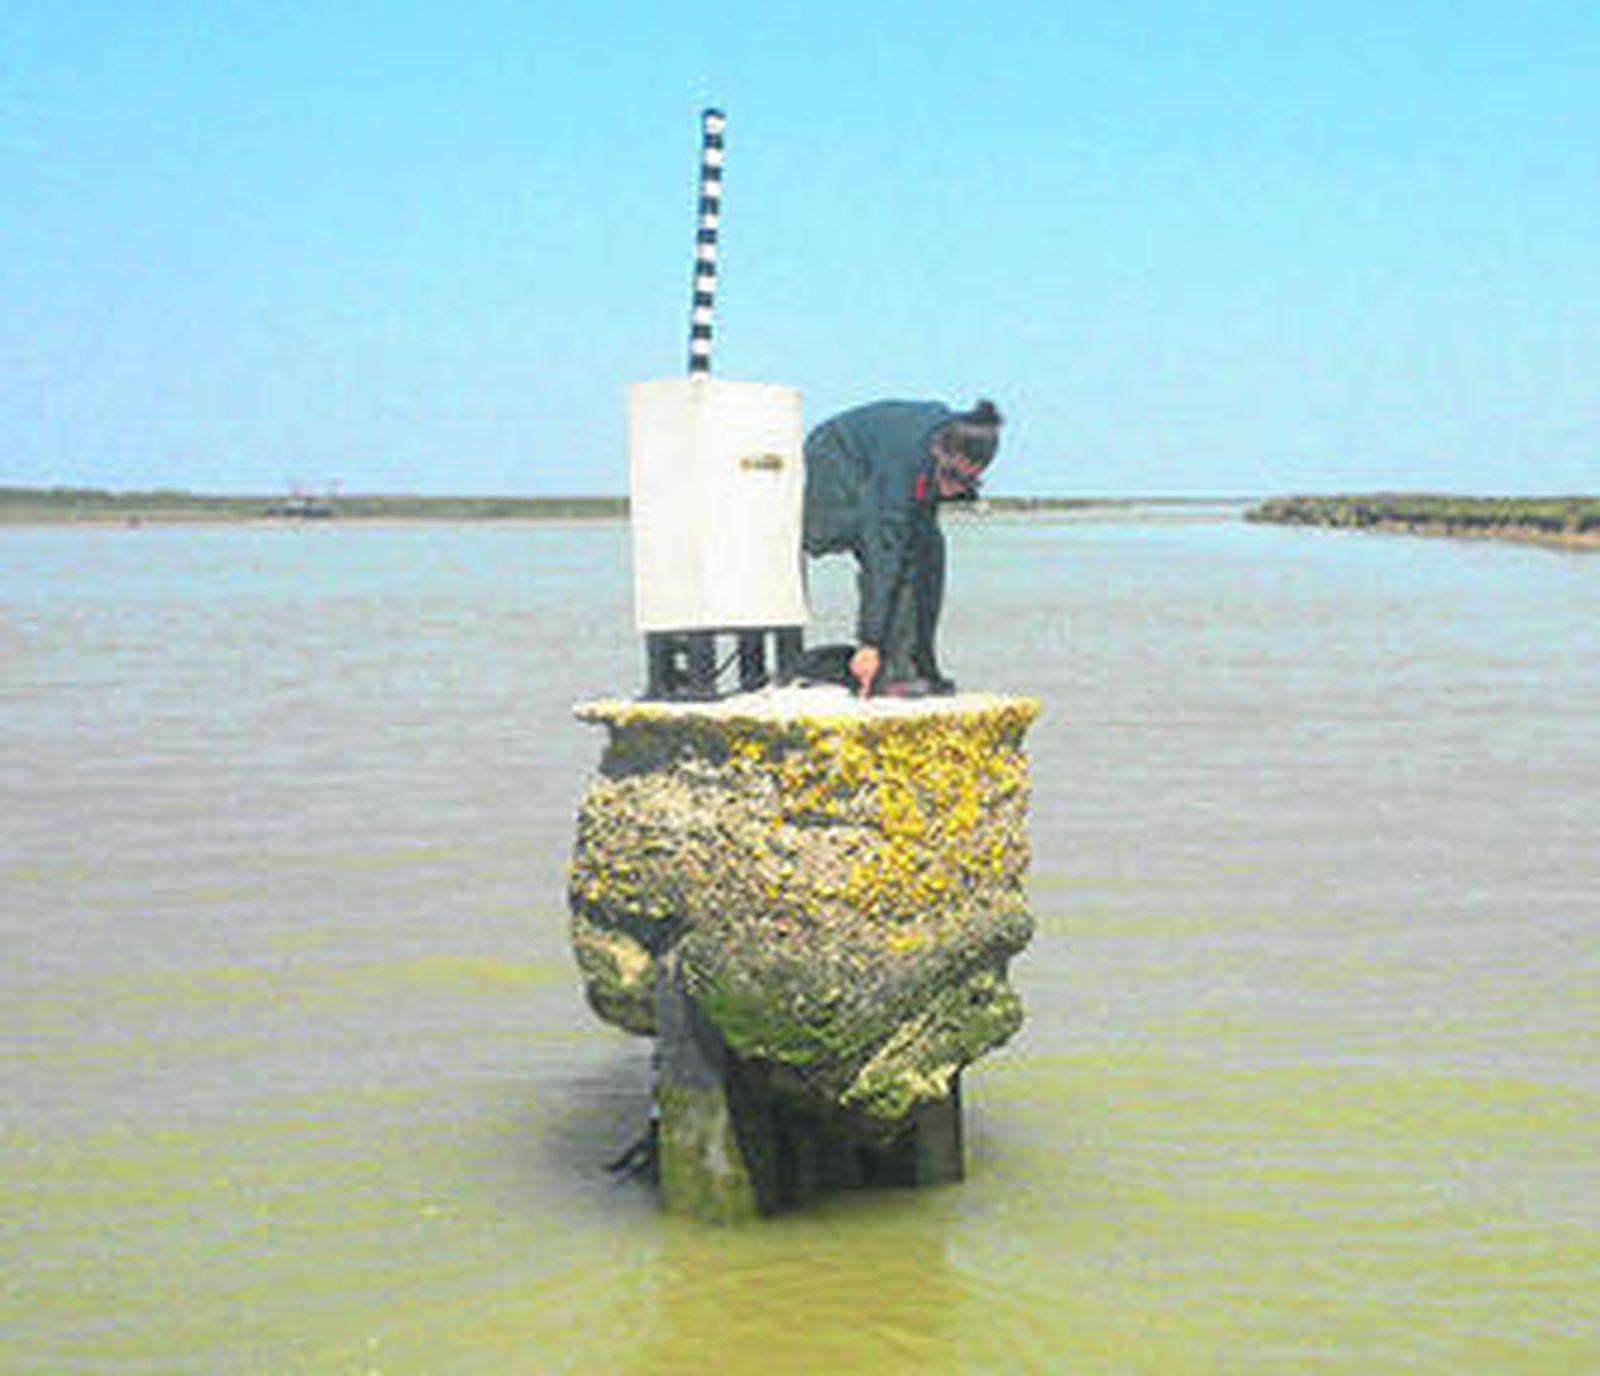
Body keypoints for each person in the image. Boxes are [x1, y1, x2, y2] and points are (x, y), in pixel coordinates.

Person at [801, 398, 1002, 697]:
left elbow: (919, 532)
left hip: (888, 472)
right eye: (951, 476)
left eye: (968, 482)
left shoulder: (957, 438)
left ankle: (921, 663)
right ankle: (891, 670)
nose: (953, 490)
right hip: (837, 459)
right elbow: (883, 559)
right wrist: (869, 643)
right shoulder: (901, 463)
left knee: (931, 553)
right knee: (894, 555)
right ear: (938, 451)